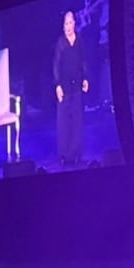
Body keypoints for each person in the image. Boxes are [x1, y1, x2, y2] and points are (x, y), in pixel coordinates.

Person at [53, 11, 89, 167]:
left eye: (70, 23)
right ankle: (64, 154)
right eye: (65, 24)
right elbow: (56, 65)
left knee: (77, 120)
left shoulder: (80, 40)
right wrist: (57, 85)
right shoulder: (61, 42)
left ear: (74, 23)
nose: (67, 27)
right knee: (63, 121)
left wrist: (85, 78)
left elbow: (83, 61)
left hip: (77, 85)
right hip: (64, 86)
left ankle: (76, 153)